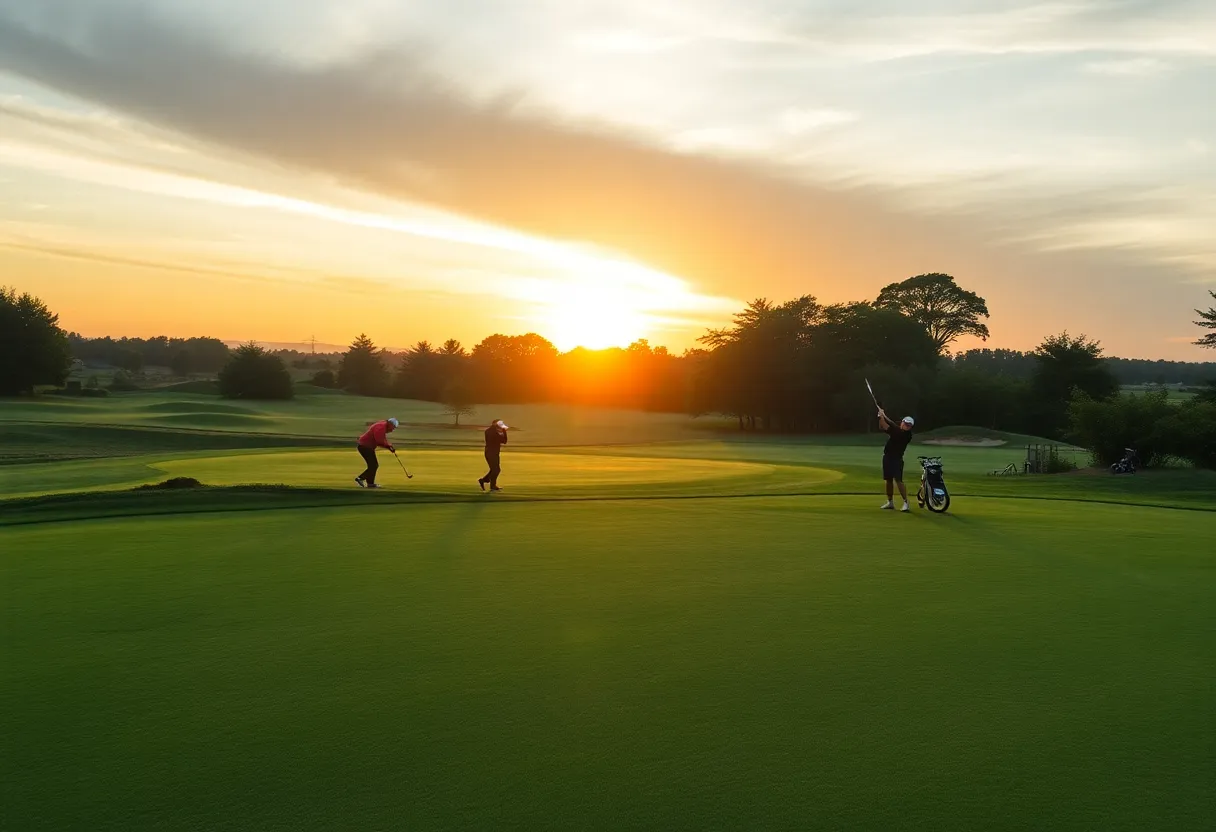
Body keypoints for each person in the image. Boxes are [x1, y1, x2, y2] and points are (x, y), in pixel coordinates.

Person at [877, 409, 914, 511]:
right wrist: (880, 417)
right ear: (902, 422)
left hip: (897, 459)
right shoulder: (896, 430)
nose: (906, 426)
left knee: (898, 480)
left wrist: (883, 415)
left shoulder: (906, 435)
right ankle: (890, 502)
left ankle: (906, 502)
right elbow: (883, 426)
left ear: (910, 427)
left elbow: (890, 425)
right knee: (888, 480)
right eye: (905, 423)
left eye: (909, 425)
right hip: (887, 457)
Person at [355, 417, 398, 489]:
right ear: (390, 424)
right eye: (393, 427)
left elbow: (382, 440)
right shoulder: (381, 427)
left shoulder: (383, 426)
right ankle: (361, 478)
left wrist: (389, 447)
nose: (392, 430)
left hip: (366, 446)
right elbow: (379, 441)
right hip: (365, 446)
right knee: (374, 465)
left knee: (373, 465)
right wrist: (388, 446)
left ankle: (370, 484)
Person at [479, 419, 508, 491]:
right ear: (495, 423)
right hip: (490, 452)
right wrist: (502, 431)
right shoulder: (490, 431)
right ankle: (489, 483)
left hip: (494, 452)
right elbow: (502, 440)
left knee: (495, 469)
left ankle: (486, 482)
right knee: (496, 470)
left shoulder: (495, 431)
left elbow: (504, 441)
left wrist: (503, 431)